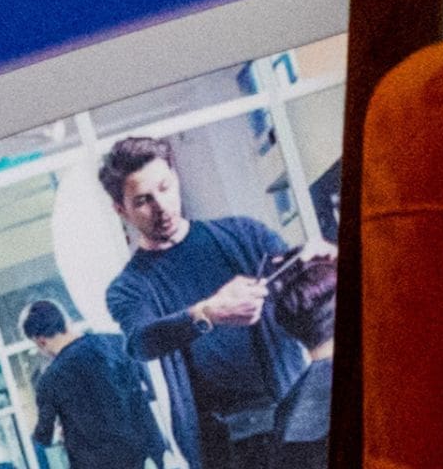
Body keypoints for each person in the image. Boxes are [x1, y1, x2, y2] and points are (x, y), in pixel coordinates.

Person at [97, 135, 326, 469]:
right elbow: (141, 341)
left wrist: (319, 262)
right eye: (144, 200)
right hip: (224, 444)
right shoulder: (130, 287)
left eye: (164, 187)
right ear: (122, 211)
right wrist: (206, 313)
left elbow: (300, 283)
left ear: (175, 179)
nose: (161, 206)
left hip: (291, 414)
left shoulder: (244, 234)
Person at [21, 291, 166, 469]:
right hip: (147, 455)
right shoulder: (118, 343)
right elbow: (152, 389)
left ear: (40, 341)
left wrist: (63, 431)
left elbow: (44, 436)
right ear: (66, 320)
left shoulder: (49, 380)